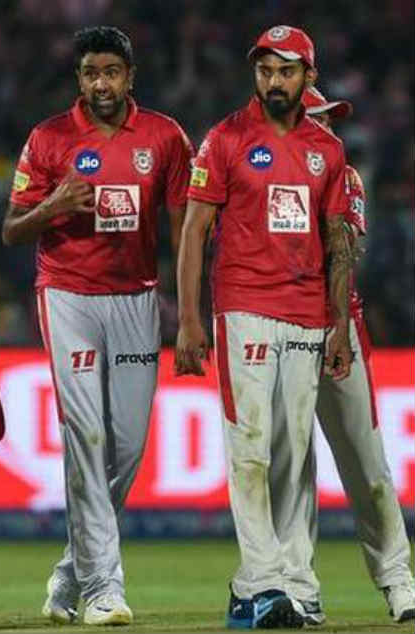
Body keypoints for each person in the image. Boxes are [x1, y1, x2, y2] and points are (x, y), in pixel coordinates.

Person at [2, 26, 193, 626]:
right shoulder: (50, 137)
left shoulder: (164, 136)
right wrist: (53, 207)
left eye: (111, 72)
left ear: (129, 76)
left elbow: (187, 229)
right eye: (90, 73)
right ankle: (104, 589)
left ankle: (70, 571)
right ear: (78, 79)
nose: (101, 83)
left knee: (128, 447)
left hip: (137, 299)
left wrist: (189, 314)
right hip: (68, 297)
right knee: (85, 436)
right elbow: (11, 229)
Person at [174, 25, 353, 629]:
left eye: (286, 71)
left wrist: (338, 324)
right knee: (248, 446)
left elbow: (336, 241)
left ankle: (294, 585)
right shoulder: (225, 138)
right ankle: (267, 581)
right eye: (265, 70)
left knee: (294, 453)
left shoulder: (327, 150)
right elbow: (195, 229)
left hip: (306, 312)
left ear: (309, 76)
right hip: (243, 306)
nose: (274, 81)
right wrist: (190, 319)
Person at [273, 86, 415, 625]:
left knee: (366, 460)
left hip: (338, 327)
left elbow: (345, 249)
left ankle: (397, 579)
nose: (328, 130)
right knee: (290, 465)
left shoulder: (346, 177)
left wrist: (335, 324)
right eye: (318, 120)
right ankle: (297, 588)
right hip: (278, 325)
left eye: (331, 121)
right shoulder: (260, 174)